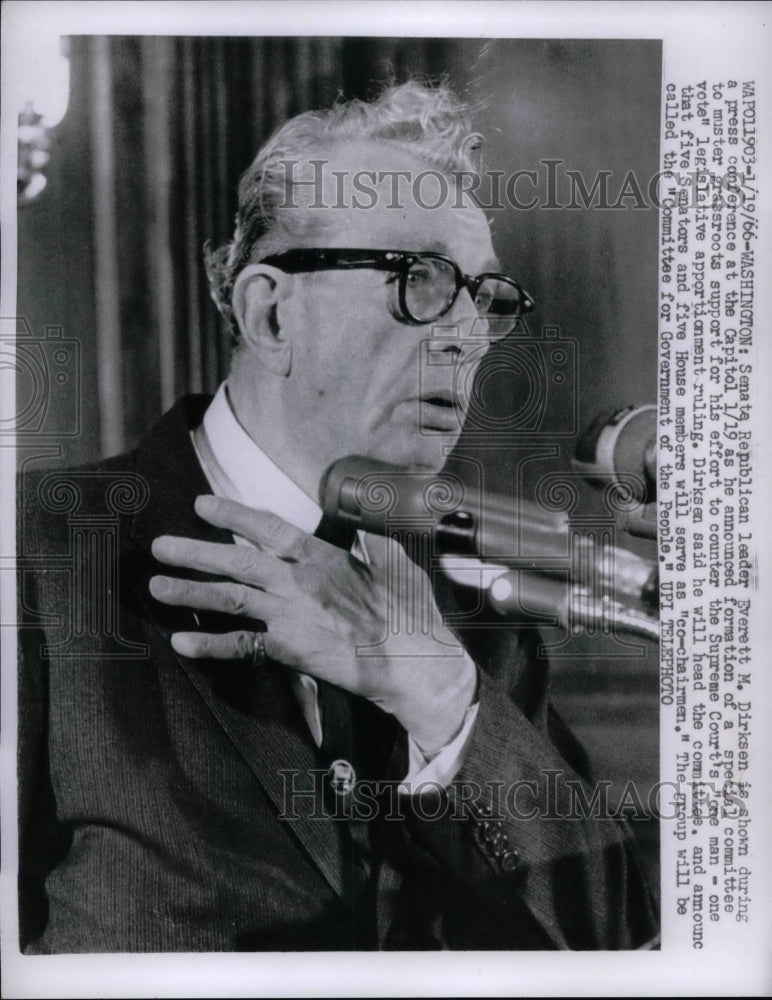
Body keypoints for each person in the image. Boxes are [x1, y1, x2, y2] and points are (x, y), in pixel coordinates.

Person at [17, 81, 659, 952]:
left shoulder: (477, 620)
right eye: (421, 280)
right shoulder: (35, 555)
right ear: (270, 312)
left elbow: (613, 942)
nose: (468, 335)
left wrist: (445, 696)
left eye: (485, 298)